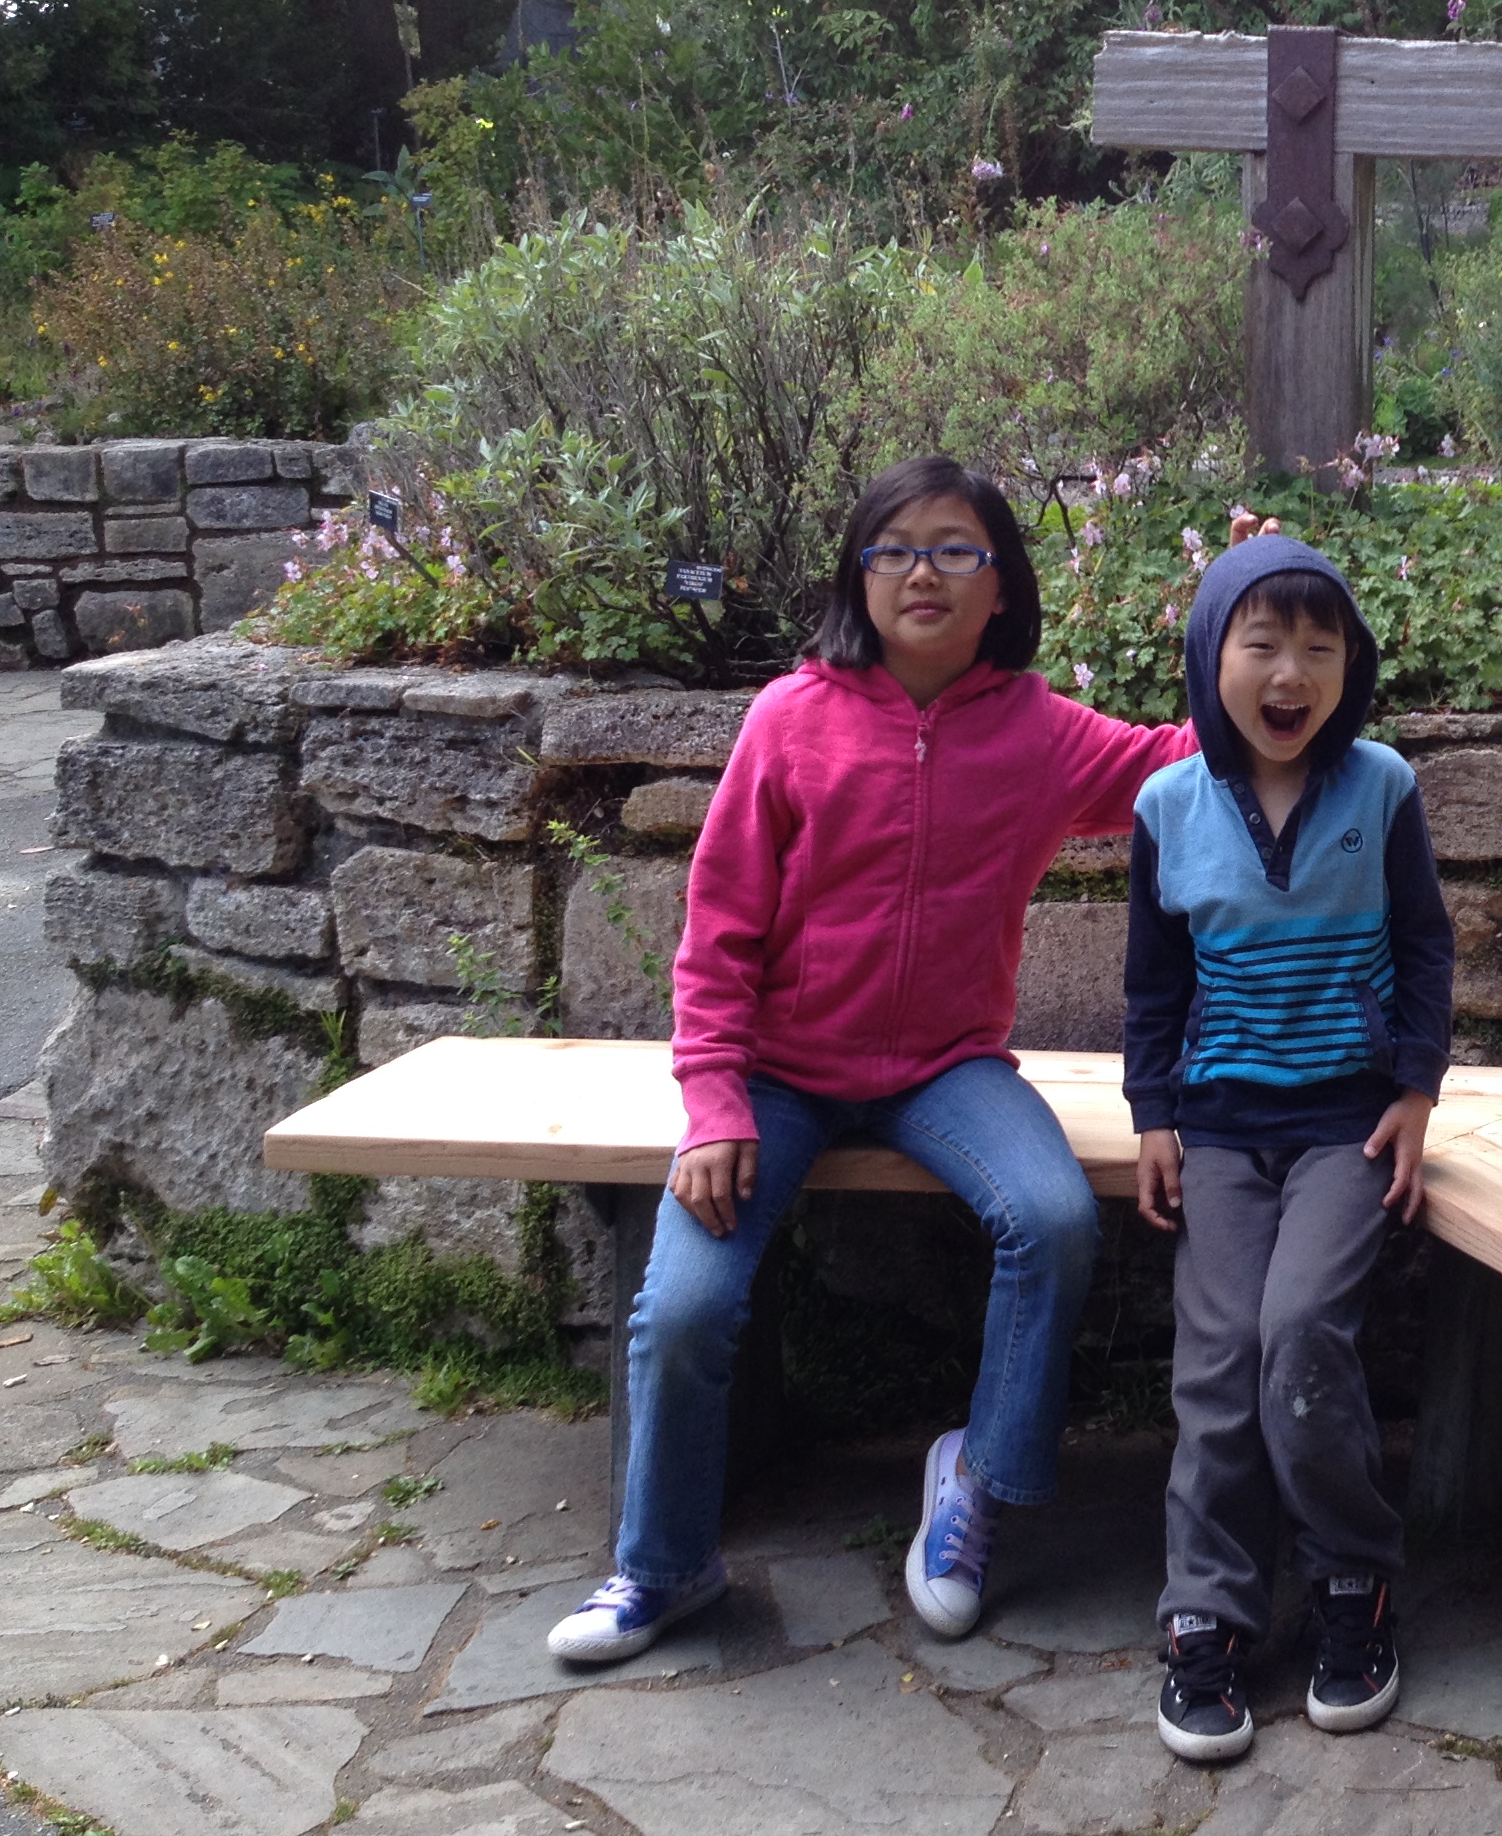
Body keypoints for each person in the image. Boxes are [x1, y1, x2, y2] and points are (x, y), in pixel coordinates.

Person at [548, 454, 1195, 1664]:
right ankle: (666, 1568)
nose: (923, 573)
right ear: (860, 573)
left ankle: (975, 1489)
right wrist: (714, 1102)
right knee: (685, 1307)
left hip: (947, 1070)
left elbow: (1182, 762)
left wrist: (1252, 636)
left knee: (1053, 1221)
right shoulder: (791, 721)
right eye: (894, 548)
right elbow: (718, 926)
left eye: (957, 549)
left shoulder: (1043, 734)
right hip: (777, 1075)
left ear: (1001, 584)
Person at [1125, 532, 1455, 1762]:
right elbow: (1153, 986)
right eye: (1262, 642)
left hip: (1344, 1125)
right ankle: (1206, 1610)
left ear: (1349, 669)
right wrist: (1152, 1114)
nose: (1290, 671)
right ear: (1214, 655)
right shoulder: (1168, 805)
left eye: (1321, 647)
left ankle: (1352, 1581)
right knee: (1217, 1361)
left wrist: (1416, 1091)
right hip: (1217, 1129)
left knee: (1303, 1335)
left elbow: (1424, 948)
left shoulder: (1383, 788)